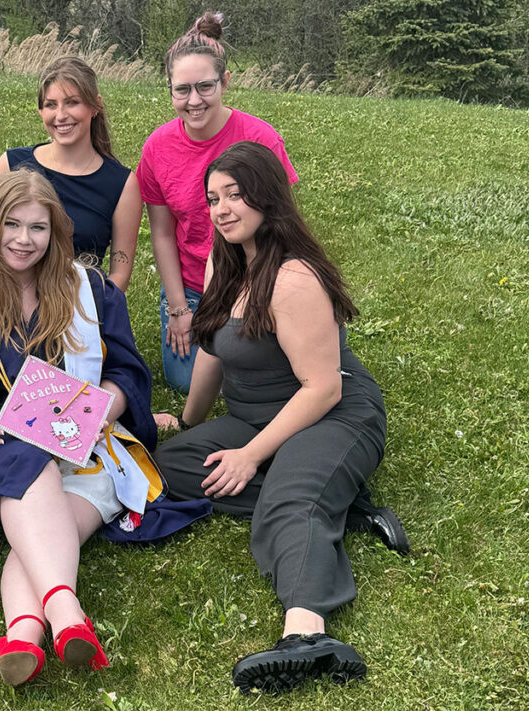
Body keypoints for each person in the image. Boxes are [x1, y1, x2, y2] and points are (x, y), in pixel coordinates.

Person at [0, 169, 208, 687]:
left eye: (38, 228)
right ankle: (67, 613)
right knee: (27, 461)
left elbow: (126, 374)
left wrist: (103, 411)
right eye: (11, 225)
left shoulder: (90, 292)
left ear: (56, 233)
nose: (23, 241)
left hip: (82, 447)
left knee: (52, 526)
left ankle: (24, 634)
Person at [153, 142, 392, 693]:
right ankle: (339, 509)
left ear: (267, 196)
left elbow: (323, 387)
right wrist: (190, 422)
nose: (222, 208)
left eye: (236, 195)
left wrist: (252, 454)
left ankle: (306, 634)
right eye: (213, 198)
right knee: (173, 465)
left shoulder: (294, 278)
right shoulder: (226, 259)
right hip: (257, 417)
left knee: (289, 496)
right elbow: (212, 346)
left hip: (331, 415)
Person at [137, 12, 297, 395]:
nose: (194, 101)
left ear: (225, 82)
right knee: (184, 382)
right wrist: (179, 309)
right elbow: (161, 233)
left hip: (253, 277)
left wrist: (260, 295)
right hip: (193, 285)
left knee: (263, 375)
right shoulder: (157, 147)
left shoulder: (260, 137)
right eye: (182, 90)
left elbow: (282, 222)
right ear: (169, 89)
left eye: (205, 87)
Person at [0, 56, 141, 291]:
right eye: (51, 104)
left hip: (79, 311)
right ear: (40, 110)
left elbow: (120, 273)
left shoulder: (121, 184)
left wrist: (91, 311)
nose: (60, 115)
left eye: (72, 102)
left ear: (95, 106)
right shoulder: (10, 164)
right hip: (10, 301)